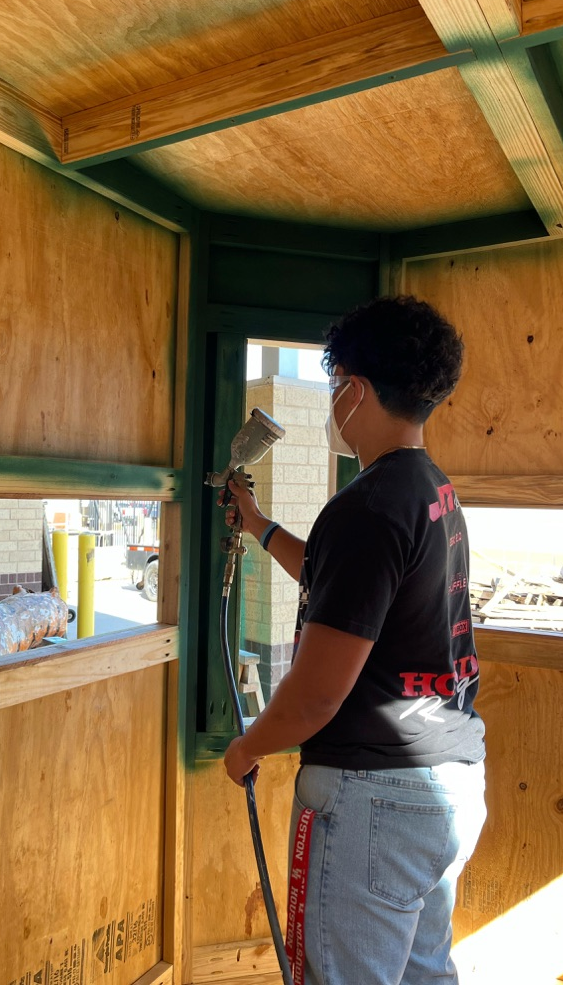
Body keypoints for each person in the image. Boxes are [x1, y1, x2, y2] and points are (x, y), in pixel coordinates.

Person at [223, 295, 486, 985]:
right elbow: (343, 582)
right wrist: (256, 524)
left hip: (376, 802)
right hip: (449, 786)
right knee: (424, 974)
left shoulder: (366, 507)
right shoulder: (432, 492)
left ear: (357, 390)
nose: (332, 398)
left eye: (335, 382)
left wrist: (248, 745)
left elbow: (315, 696)